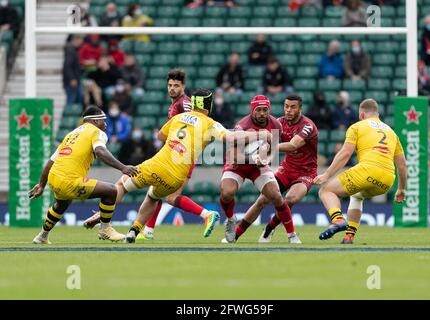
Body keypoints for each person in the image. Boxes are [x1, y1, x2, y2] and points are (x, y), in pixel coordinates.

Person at [97, 89, 272, 243]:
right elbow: (232, 137)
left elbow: (160, 136)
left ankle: (103, 219)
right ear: (208, 105)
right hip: (176, 178)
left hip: (156, 165)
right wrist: (260, 134)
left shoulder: (178, 118)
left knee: (121, 185)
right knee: (152, 196)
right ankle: (133, 233)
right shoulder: (210, 124)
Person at [83, 69, 213, 240]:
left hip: (181, 158)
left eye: (176, 85)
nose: (172, 88)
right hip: (177, 156)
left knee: (168, 196)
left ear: (183, 87)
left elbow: (193, 125)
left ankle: (206, 215)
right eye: (170, 85)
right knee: (156, 192)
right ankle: (148, 231)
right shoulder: (175, 104)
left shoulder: (185, 104)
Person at [29, 106, 138, 244]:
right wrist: (123, 167)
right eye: (103, 121)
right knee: (111, 191)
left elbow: (50, 162)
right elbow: (100, 152)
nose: (105, 124)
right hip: (69, 180)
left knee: (60, 205)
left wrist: (41, 185)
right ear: (95, 121)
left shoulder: (71, 135)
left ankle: (42, 236)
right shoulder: (96, 132)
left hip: (53, 178)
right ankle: (105, 230)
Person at [313, 99, 407, 244]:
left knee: (326, 190)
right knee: (357, 196)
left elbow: (345, 153)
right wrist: (401, 189)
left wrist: (327, 174)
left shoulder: (357, 126)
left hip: (367, 171)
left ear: (362, 114)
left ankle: (338, 220)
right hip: (387, 181)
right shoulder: (391, 132)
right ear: (378, 114)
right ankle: (349, 237)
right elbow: (402, 165)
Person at [235, 94, 318, 243]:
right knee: (262, 200)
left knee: (290, 199)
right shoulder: (279, 122)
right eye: (286, 106)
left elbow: (293, 145)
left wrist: (268, 146)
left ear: (300, 108)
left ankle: (269, 228)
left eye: (293, 107)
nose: (288, 110)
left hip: (305, 172)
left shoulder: (307, 126)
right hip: (286, 169)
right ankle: (234, 235)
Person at [219, 95, 301, 244]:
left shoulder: (276, 125)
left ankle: (292, 235)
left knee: (276, 196)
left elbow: (272, 149)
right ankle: (231, 219)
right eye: (258, 110)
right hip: (238, 165)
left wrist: (266, 160)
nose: (262, 113)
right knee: (226, 193)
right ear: (252, 111)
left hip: (257, 167)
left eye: (265, 109)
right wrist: (255, 159)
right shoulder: (242, 126)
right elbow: (235, 157)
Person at [63, 35, 84, 105]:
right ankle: (67, 115)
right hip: (71, 82)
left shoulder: (72, 50)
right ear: (76, 40)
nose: (81, 42)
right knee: (71, 101)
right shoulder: (71, 50)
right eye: (81, 40)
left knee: (76, 99)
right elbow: (67, 66)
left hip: (74, 80)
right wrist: (72, 78)